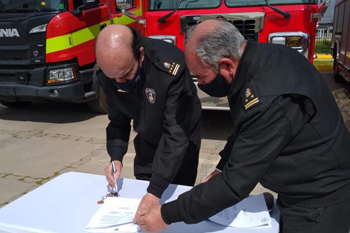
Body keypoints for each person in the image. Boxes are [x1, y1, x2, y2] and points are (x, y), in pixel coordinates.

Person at [134, 19, 350, 233]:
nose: (200, 85)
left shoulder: (269, 96)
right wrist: (222, 165)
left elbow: (233, 184)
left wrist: (166, 214)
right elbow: (245, 128)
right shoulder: (258, 60)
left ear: (226, 65)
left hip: (318, 200)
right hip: (299, 184)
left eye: (201, 77)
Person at [95, 25, 201, 216]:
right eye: (113, 78)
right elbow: (118, 120)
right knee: (142, 198)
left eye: (126, 74)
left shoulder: (169, 67)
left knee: (175, 204)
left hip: (180, 144)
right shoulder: (108, 71)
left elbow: (176, 133)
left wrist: (155, 191)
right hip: (147, 139)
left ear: (140, 55)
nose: (120, 82)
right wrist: (116, 157)